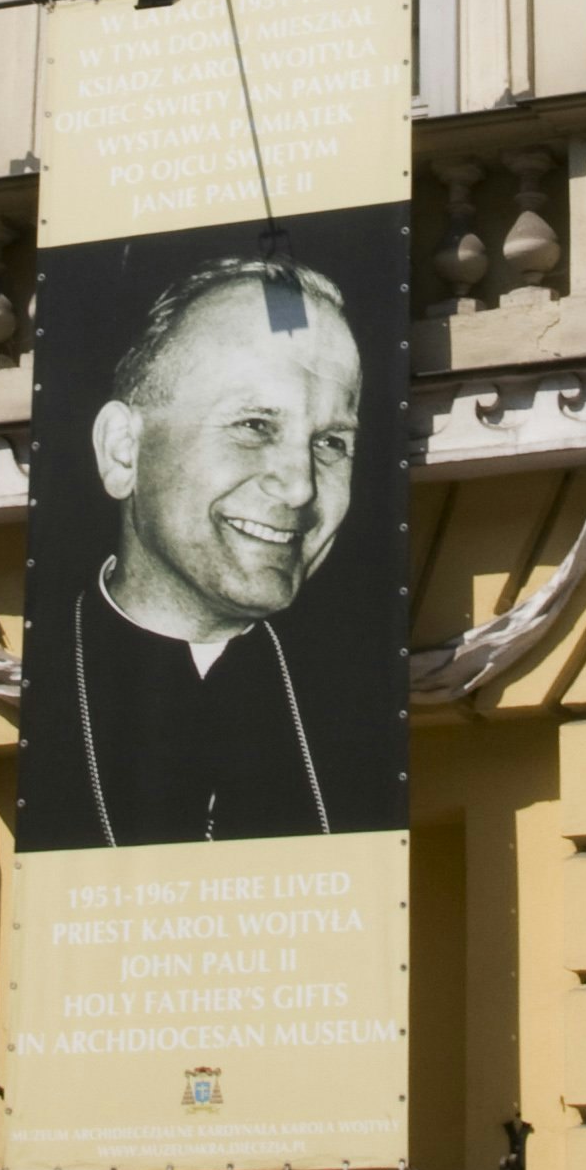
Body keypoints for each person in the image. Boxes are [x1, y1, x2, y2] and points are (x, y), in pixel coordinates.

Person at [27, 253, 365, 848]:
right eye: (255, 425)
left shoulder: (368, 715)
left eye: (331, 442)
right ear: (123, 450)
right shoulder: (37, 684)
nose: (301, 486)